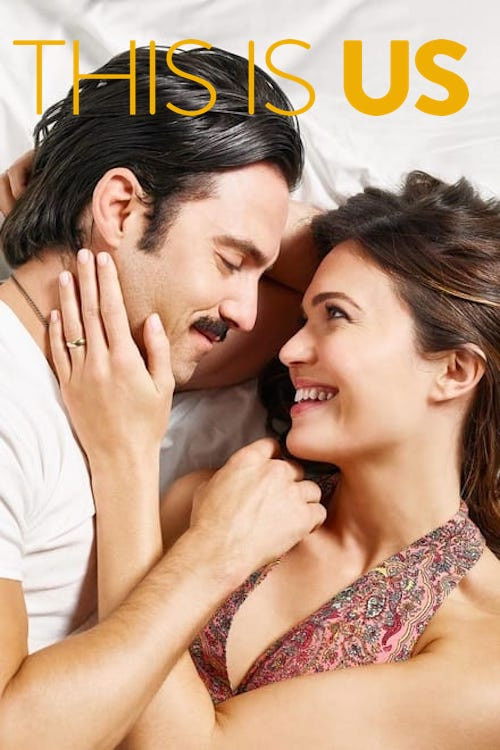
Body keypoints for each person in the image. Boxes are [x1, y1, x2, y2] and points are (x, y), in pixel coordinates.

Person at [49, 170, 500, 748]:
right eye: (302, 318)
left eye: (336, 315)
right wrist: (88, 177)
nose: (289, 349)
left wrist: (128, 459)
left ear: (454, 370)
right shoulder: (219, 502)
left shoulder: (483, 650)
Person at [0, 44, 325, 748]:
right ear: (120, 208)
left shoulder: (122, 363)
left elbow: (380, 277)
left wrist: (253, 207)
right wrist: (215, 555)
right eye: (231, 260)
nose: (247, 311)